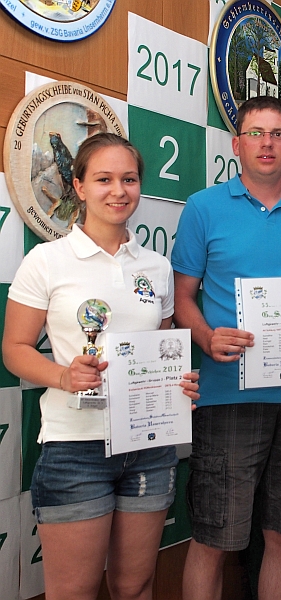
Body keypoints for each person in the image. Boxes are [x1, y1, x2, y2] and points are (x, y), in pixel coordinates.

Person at [171, 95, 281, 600]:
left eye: (278, 134)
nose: (267, 143)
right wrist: (206, 337)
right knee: (214, 537)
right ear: (237, 145)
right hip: (227, 395)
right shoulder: (203, 207)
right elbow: (181, 299)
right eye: (256, 133)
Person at [2, 132, 200, 600]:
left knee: (135, 586)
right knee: (74, 592)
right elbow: (14, 348)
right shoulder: (47, 260)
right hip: (76, 448)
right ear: (79, 186)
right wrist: (62, 376)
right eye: (104, 179)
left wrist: (177, 384)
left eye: (129, 179)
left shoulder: (156, 267)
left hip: (148, 446)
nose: (118, 191)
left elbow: (161, 349)